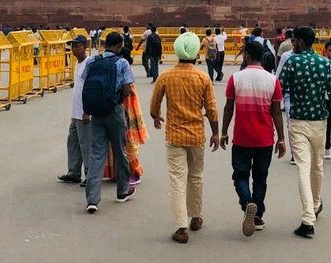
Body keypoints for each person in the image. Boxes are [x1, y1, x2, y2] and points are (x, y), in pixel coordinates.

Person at [150, 32, 219, 244]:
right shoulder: (203, 77)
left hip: (175, 135)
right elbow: (212, 109)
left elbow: (154, 105)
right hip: (197, 135)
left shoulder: (166, 77)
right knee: (196, 176)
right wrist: (216, 132)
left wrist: (157, 117)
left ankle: (181, 227)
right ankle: (196, 216)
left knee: (177, 180)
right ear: (196, 52)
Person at [279, 26, 331, 239]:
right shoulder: (325, 63)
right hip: (320, 121)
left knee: (303, 167)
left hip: (298, 120)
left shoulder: (292, 62)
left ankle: (308, 219)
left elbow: (279, 89)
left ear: (298, 41)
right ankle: (315, 204)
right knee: (316, 167)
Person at [221, 41, 286, 237]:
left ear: (247, 55)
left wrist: (223, 132)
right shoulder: (272, 80)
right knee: (260, 177)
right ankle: (257, 215)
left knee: (240, 176)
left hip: (242, 137)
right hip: (264, 138)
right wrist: (281, 139)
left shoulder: (235, 78)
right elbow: (276, 112)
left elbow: (228, 108)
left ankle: (247, 203)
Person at [83, 32, 136, 213]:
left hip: (96, 111)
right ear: (120, 46)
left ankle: (92, 199)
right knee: (120, 150)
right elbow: (127, 90)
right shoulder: (122, 63)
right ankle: (122, 191)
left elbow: (86, 83)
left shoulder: (92, 61)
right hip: (113, 110)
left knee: (97, 153)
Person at [58, 34, 91, 186]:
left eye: (77, 45)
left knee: (86, 145)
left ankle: (90, 175)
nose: (74, 48)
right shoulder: (78, 64)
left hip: (84, 112)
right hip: (76, 112)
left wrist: (87, 111)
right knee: (73, 142)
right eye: (73, 46)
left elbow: (91, 88)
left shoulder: (89, 64)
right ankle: (74, 172)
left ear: (85, 47)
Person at [276, 46, 296, 164]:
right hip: (289, 94)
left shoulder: (313, 58)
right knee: (291, 123)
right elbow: (279, 75)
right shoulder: (286, 56)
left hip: (307, 96)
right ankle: (295, 153)